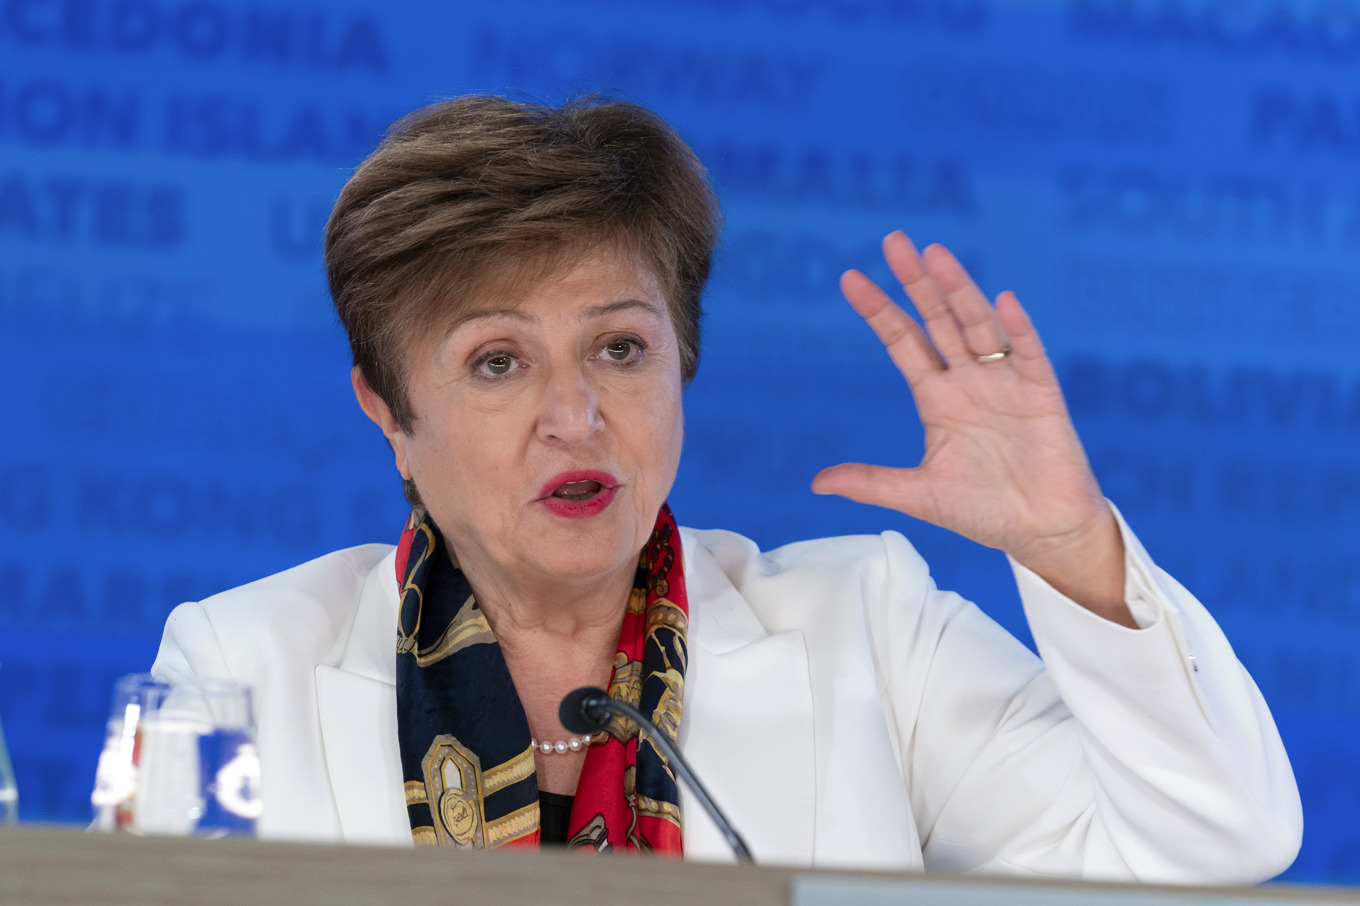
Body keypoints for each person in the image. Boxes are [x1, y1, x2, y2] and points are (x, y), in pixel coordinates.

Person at [151, 95, 1302, 881]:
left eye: (619, 348)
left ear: (681, 364)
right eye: (497, 363)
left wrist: (1068, 545)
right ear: (388, 413)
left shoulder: (868, 632)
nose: (577, 414)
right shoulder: (235, 664)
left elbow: (1215, 846)